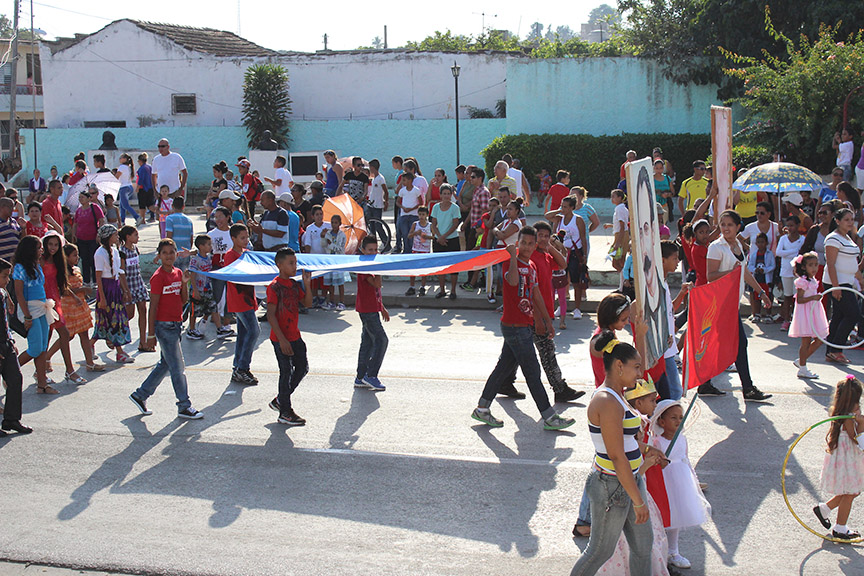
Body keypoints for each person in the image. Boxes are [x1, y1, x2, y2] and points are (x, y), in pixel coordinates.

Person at [471, 227, 576, 431]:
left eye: (530, 243)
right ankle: (549, 416)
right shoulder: (512, 263)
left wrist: (547, 320)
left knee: (503, 368)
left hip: (523, 325)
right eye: (523, 243)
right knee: (532, 372)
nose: (527, 247)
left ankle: (482, 408)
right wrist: (512, 256)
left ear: (535, 244)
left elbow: (536, 294)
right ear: (517, 243)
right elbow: (512, 281)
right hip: (514, 326)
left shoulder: (532, 266)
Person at [570, 333, 659, 576]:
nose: (640, 374)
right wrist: (638, 500)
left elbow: (628, 442)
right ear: (619, 366)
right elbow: (617, 456)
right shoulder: (607, 400)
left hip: (628, 480)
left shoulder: (619, 394)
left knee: (643, 546)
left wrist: (647, 449)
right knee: (599, 551)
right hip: (613, 484)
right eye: (636, 367)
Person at [700, 210, 773, 401]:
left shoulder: (739, 245)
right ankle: (747, 388)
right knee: (740, 343)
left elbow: (745, 272)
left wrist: (761, 292)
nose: (725, 228)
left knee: (722, 344)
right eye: (722, 225)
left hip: (732, 303)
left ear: (738, 227)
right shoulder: (716, 247)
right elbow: (710, 276)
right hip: (719, 303)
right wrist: (729, 272)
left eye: (729, 225)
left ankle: (705, 383)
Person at [129, 238, 203, 420]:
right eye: (165, 253)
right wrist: (151, 334)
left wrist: (185, 282)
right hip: (164, 326)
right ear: (159, 256)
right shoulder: (157, 277)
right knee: (178, 367)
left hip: (176, 325)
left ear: (177, 254)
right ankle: (184, 405)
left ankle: (141, 394)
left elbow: (183, 300)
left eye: (172, 252)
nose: (169, 256)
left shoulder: (178, 273)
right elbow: (152, 307)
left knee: (166, 364)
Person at [517, 220, 585, 403]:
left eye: (547, 236)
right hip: (535, 315)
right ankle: (560, 388)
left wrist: (552, 246)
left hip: (544, 312)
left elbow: (562, 265)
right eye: (540, 236)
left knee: (512, 353)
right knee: (547, 352)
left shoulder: (545, 256)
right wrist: (540, 319)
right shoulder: (532, 260)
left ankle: (505, 381)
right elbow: (532, 292)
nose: (544, 239)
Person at [649, 400, 711, 570]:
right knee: (663, 517)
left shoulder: (682, 439)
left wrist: (693, 479)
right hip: (665, 482)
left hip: (681, 481)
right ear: (661, 422)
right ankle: (660, 552)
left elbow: (686, 459)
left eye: (681, 417)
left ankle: (674, 551)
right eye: (673, 418)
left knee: (677, 517)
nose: (678, 421)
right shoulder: (657, 442)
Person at [266, 248, 313, 426]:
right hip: (281, 338)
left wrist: (307, 286)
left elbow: (307, 303)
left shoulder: (293, 285)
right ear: (279, 265)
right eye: (291, 263)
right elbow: (271, 315)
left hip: (295, 335)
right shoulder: (274, 286)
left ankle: (280, 399)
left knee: (302, 368)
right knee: (285, 372)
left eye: (295, 262)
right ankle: (285, 411)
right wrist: (282, 340)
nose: (295, 266)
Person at [812, 376, 864, 540]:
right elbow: (856, 437)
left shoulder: (842, 411)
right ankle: (840, 528)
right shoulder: (849, 416)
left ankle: (825, 509)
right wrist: (861, 422)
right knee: (851, 492)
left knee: (851, 491)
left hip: (845, 456)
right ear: (853, 401)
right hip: (847, 457)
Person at [41, 233, 87, 385]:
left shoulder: (58, 261)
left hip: (55, 302)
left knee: (64, 334)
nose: (53, 248)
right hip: (42, 303)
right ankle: (40, 371)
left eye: (56, 245)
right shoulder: (40, 260)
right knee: (44, 339)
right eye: (50, 244)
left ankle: (69, 370)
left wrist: (75, 296)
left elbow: (63, 285)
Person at [48, 243, 103, 372]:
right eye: (74, 255)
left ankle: (90, 363)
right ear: (65, 257)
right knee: (67, 335)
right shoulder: (61, 271)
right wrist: (81, 289)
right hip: (68, 306)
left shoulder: (76, 269)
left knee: (84, 333)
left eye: (77, 255)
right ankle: (47, 357)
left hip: (80, 305)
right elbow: (63, 289)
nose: (77, 257)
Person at [13, 236, 55, 394]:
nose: (41, 250)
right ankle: (9, 372)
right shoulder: (19, 268)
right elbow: (19, 294)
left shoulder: (36, 265)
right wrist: (27, 316)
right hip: (30, 309)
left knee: (43, 347)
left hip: (42, 307)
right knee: (35, 348)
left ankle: (42, 384)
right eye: (38, 247)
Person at [822, 208, 863, 365]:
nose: (850, 222)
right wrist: (836, 286)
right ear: (837, 221)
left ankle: (831, 351)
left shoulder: (848, 238)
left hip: (847, 281)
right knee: (853, 314)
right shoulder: (832, 238)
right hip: (837, 282)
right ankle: (836, 349)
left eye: (852, 219)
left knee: (839, 316)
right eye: (847, 219)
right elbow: (831, 264)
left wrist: (860, 279)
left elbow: (853, 263)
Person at [224, 224, 260, 386]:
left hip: (248, 298)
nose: (246, 241)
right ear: (233, 239)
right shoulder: (230, 256)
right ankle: (243, 368)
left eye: (247, 237)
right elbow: (235, 276)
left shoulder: (247, 254)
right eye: (242, 238)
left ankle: (237, 366)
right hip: (239, 300)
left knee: (244, 334)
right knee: (254, 331)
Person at [0, 258, 32, 436]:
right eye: (4, 276)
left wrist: (10, 340)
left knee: (15, 378)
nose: (8, 280)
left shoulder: (2, 293)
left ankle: (12, 419)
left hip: (5, 341)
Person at [93, 224, 133, 364]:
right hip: (106, 288)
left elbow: (119, 272)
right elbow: (98, 277)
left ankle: (94, 345)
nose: (117, 237)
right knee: (108, 320)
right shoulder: (100, 253)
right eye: (115, 235)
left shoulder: (115, 251)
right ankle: (119, 351)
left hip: (115, 288)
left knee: (116, 320)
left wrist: (125, 290)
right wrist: (102, 298)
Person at [354, 236, 389, 392]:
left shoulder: (371, 265)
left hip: (371, 308)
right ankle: (371, 375)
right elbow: (377, 284)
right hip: (367, 310)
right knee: (382, 340)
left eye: (375, 250)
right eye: (370, 250)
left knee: (367, 343)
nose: (373, 252)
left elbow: (375, 292)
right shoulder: (365, 267)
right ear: (363, 251)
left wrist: (381, 307)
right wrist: (379, 270)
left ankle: (360, 376)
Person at [546, 196, 588, 320]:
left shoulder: (578, 220)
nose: (563, 208)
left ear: (571, 208)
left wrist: (584, 254)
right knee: (561, 280)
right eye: (562, 206)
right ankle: (561, 306)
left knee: (576, 280)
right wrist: (559, 211)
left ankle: (577, 308)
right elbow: (547, 216)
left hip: (575, 252)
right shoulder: (559, 219)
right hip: (561, 253)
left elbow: (583, 237)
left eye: (565, 207)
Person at [787, 252, 828, 379]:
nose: (814, 268)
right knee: (806, 341)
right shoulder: (802, 281)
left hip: (813, 311)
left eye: (816, 265)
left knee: (820, 338)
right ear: (804, 267)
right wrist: (813, 297)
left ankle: (801, 361)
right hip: (805, 312)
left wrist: (815, 298)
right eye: (811, 265)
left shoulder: (812, 279)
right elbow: (799, 300)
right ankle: (803, 368)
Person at [118, 226, 153, 353]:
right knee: (130, 314)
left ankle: (143, 342)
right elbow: (121, 272)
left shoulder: (135, 249)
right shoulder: (122, 252)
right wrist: (125, 290)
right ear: (128, 237)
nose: (137, 237)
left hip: (138, 283)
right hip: (128, 285)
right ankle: (116, 334)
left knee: (143, 310)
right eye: (135, 235)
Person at [430, 184, 462, 299]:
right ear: (440, 195)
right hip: (439, 240)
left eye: (449, 194)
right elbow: (433, 223)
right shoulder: (436, 207)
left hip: (452, 239)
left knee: (454, 267)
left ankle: (453, 291)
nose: (446, 196)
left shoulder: (455, 208)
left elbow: (455, 223)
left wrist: (445, 236)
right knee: (440, 266)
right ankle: (442, 290)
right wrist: (439, 237)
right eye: (444, 193)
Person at [207, 207, 235, 335]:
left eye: (220, 216)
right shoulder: (212, 234)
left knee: (231, 296)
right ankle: (218, 324)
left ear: (228, 217)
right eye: (215, 217)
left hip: (233, 268)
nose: (218, 220)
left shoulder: (234, 232)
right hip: (217, 268)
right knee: (217, 296)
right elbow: (203, 249)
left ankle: (227, 324)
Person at [776, 215, 805, 330]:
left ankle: (795, 320)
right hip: (785, 271)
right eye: (788, 226)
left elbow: (801, 254)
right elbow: (778, 252)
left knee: (796, 297)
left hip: (797, 273)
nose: (790, 228)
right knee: (787, 296)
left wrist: (788, 253)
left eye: (792, 225)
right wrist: (794, 251)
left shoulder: (802, 239)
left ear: (798, 225)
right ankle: (787, 320)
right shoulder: (783, 239)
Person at [73, 189, 105, 287]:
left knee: (93, 259)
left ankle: (96, 280)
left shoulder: (94, 208)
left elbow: (101, 220)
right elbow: (75, 223)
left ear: (88, 198)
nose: (80, 199)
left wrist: (99, 234)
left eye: (82, 197)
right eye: (79, 197)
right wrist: (74, 235)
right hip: (81, 238)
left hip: (93, 238)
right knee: (84, 259)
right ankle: (86, 281)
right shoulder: (78, 210)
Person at [301, 205, 330, 307]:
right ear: (313, 216)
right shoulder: (310, 228)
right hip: (314, 259)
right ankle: (314, 297)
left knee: (324, 280)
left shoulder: (328, 226)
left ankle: (323, 298)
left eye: (321, 214)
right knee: (314, 280)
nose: (319, 216)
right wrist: (308, 257)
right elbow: (307, 243)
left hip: (325, 258)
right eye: (317, 214)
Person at [746, 233, 775, 323]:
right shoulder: (754, 254)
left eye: (762, 242)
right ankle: (757, 314)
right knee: (756, 296)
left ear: (766, 243)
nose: (760, 244)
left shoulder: (770, 254)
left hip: (766, 279)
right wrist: (755, 270)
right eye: (758, 242)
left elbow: (772, 266)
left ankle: (768, 314)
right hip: (757, 278)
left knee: (768, 295)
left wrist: (764, 270)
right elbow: (749, 265)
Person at [322, 214, 349, 310]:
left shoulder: (342, 235)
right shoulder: (328, 233)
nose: (334, 225)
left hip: (339, 260)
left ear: (340, 224)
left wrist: (331, 245)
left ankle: (341, 302)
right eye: (332, 222)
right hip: (330, 260)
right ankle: (331, 301)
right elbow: (324, 245)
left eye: (336, 223)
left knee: (340, 283)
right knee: (330, 283)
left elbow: (341, 249)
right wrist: (322, 237)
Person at [405, 207, 432, 296]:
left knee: (424, 269)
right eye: (420, 214)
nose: (421, 216)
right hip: (416, 249)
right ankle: (412, 286)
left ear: (426, 215)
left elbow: (434, 236)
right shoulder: (415, 224)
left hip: (425, 250)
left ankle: (423, 286)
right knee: (413, 268)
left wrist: (426, 237)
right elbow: (409, 235)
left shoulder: (429, 225)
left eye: (423, 215)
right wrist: (416, 233)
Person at [610, 189, 629, 274]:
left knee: (616, 263)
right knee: (621, 262)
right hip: (621, 235)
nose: (612, 199)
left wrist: (617, 243)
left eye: (614, 196)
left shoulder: (619, 209)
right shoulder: (621, 208)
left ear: (620, 197)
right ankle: (624, 282)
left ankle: (626, 279)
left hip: (621, 236)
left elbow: (622, 227)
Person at [114, 153, 137, 224]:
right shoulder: (128, 167)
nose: (119, 159)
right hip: (129, 187)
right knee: (122, 205)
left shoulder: (122, 167)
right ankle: (122, 220)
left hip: (124, 187)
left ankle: (137, 217)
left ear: (125, 159)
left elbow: (117, 177)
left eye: (121, 157)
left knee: (125, 205)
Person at [134, 153, 155, 225]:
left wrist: (137, 187)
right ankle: (159, 213)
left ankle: (142, 219)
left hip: (143, 189)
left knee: (142, 205)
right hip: (150, 188)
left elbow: (141, 179)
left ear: (140, 161)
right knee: (150, 204)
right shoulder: (150, 167)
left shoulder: (142, 168)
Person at [0, 198, 20, 263]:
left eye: (13, 206)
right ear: (2, 207)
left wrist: (24, 228)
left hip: (15, 261)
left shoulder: (14, 221)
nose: (13, 209)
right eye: (10, 206)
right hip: (3, 263)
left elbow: (20, 238)